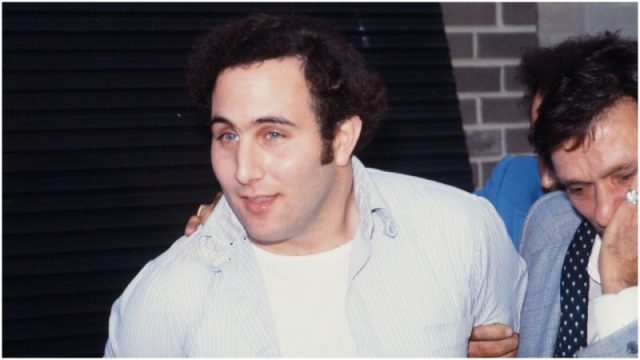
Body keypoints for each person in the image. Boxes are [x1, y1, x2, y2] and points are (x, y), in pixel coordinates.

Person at [104, 13, 526, 357]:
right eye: (227, 135)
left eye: (272, 134)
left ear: (341, 138)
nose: (244, 170)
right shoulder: (165, 298)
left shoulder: (461, 231)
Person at [517, 32, 638, 357]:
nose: (601, 212)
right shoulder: (550, 223)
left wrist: (623, 297)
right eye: (578, 188)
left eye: (623, 176)